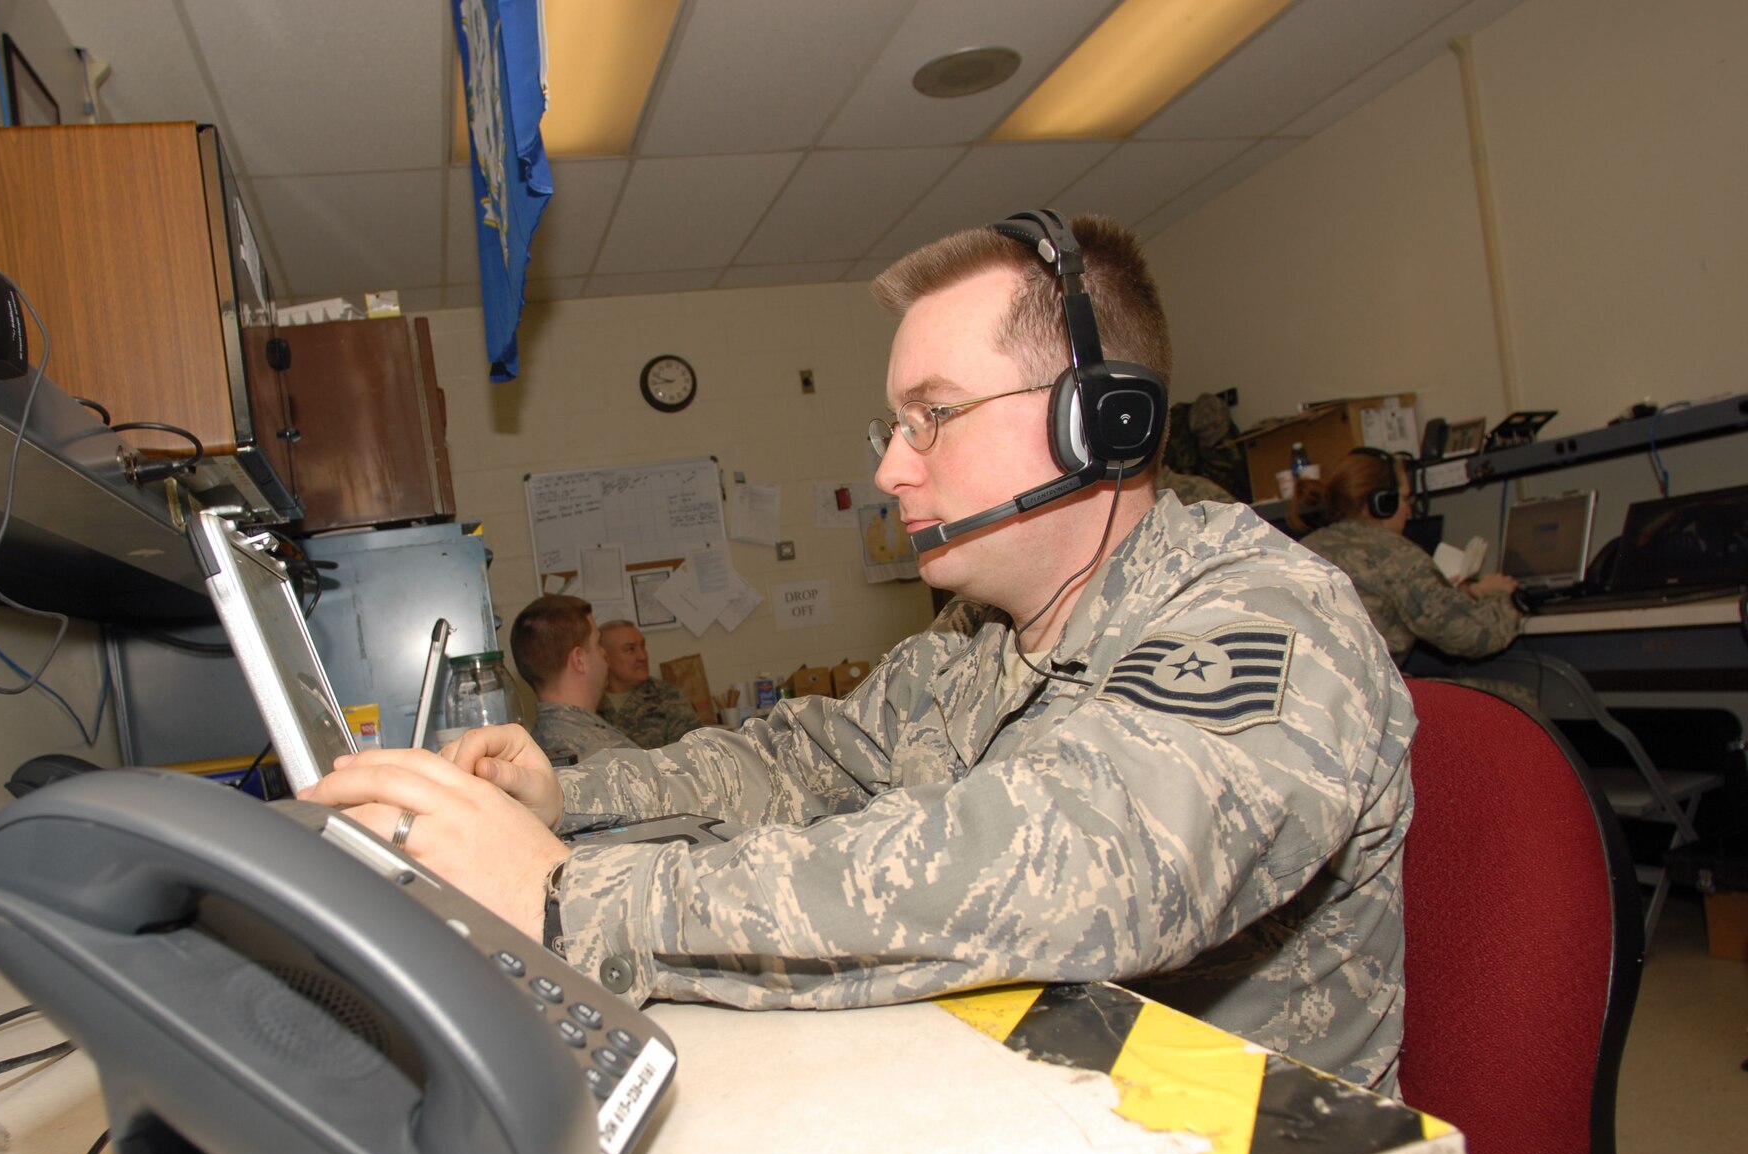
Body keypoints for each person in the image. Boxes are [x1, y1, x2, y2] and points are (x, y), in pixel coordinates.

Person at [301, 211, 1415, 1092]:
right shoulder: (974, 643)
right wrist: (571, 795)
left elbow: (1074, 864)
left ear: (1099, 421)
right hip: (1030, 1111)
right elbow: (802, 761)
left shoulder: (1267, 616)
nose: (892, 469)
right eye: (892, 427)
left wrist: (575, 900)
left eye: (931, 415)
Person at [1296, 449, 1522, 664]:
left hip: (1316, 697)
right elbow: (1478, 636)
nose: (1409, 510)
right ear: (1382, 502)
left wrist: (1468, 593)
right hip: (1375, 700)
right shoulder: (1394, 554)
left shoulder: (1303, 548)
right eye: (1405, 499)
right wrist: (1501, 596)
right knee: (1520, 697)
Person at [506, 595, 639, 764]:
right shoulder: (609, 757)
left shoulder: (531, 748)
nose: (604, 653)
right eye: (598, 643)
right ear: (579, 660)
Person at [596, 619, 702, 748]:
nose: (642, 656)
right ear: (604, 657)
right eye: (630, 649)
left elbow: (691, 756)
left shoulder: (669, 697)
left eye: (642, 646)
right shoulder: (589, 702)